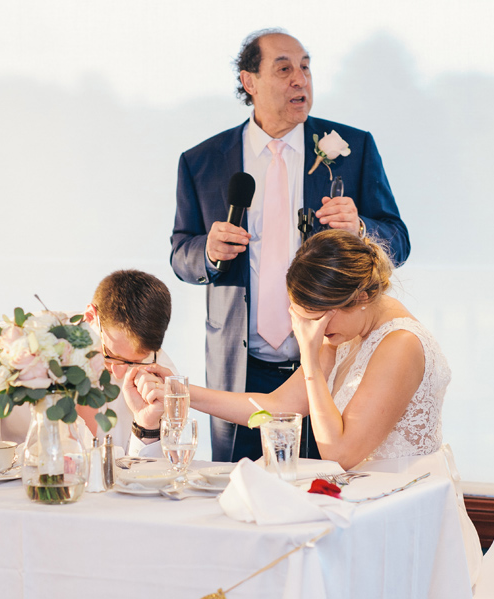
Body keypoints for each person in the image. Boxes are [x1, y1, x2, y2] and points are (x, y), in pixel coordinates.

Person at [135, 229, 482, 584]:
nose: (310, 330)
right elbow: (276, 405)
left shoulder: (400, 345)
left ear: (359, 297)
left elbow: (340, 451)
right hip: (365, 502)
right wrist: (181, 392)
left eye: (316, 319)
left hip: (406, 506)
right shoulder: (348, 329)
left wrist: (310, 360)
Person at [170, 28, 410, 462]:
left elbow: (398, 238)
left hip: (330, 355)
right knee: (242, 497)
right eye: (284, 69)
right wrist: (207, 251)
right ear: (249, 81)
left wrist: (359, 227)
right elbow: (180, 253)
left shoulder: (352, 148)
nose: (300, 79)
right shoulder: (202, 161)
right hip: (239, 367)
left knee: (330, 486)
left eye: (305, 67)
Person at [0, 270, 175, 455]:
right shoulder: (24, 342)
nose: (120, 374)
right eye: (110, 354)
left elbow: (163, 471)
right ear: (90, 317)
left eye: (135, 363)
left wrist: (147, 427)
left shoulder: (158, 369)